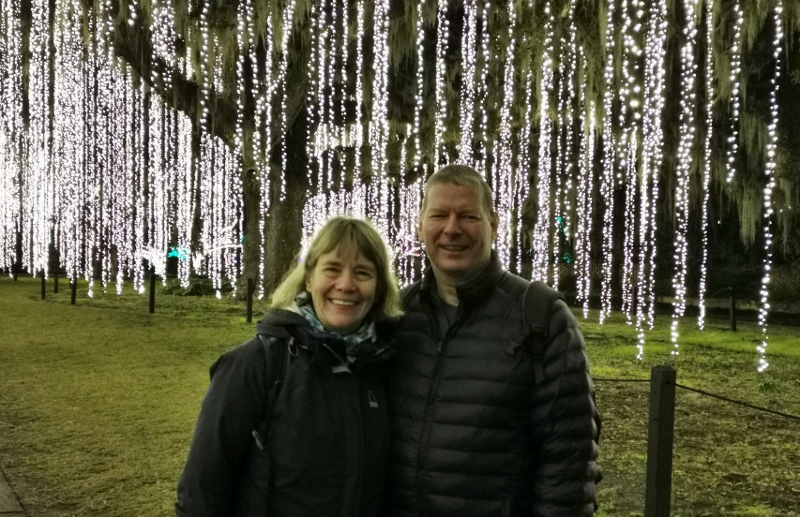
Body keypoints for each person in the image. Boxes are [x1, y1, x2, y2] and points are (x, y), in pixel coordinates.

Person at [383, 164, 601, 516]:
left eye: (468, 216)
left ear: (494, 225)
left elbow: (568, 461)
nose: (452, 229)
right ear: (420, 226)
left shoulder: (541, 316)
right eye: (439, 215)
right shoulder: (395, 315)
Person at [176, 217, 403, 517]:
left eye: (362, 273)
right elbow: (200, 494)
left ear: (379, 287)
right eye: (332, 269)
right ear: (309, 279)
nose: (346, 285)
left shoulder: (381, 368)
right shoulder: (255, 365)